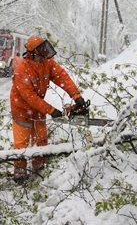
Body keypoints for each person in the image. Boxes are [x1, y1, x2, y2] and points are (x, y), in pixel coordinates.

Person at [9, 36, 87, 182]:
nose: (45, 53)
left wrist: (76, 96)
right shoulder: (22, 70)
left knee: (41, 139)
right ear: (33, 53)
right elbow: (30, 97)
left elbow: (62, 77)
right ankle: (20, 172)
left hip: (38, 109)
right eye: (42, 51)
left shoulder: (47, 63)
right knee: (21, 144)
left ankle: (39, 168)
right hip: (21, 110)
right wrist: (51, 110)